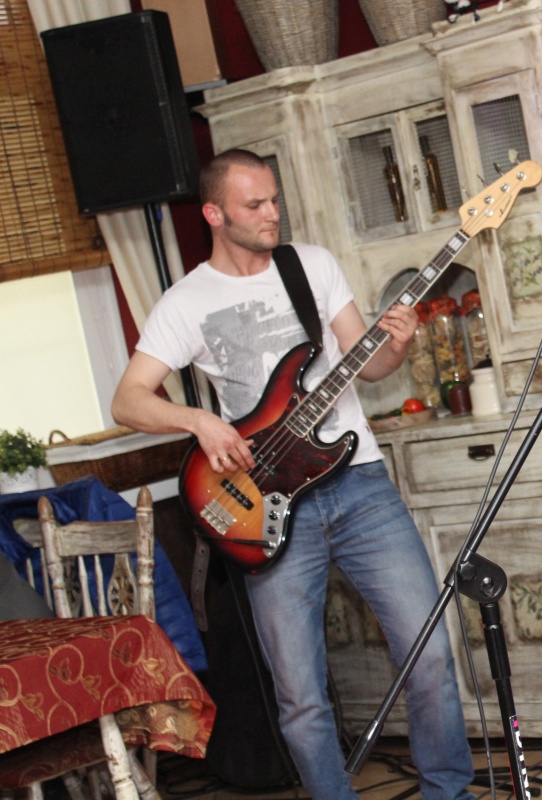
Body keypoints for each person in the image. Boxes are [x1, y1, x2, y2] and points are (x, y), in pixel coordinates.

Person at [111, 149, 476, 800]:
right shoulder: (185, 301)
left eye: (275, 199)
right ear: (214, 214)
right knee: (300, 695)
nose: (272, 213)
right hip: (264, 505)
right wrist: (199, 422)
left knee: (429, 653)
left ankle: (448, 792)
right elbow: (128, 400)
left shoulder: (313, 266)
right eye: (254, 204)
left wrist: (396, 344)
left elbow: (369, 366)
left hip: (359, 485)